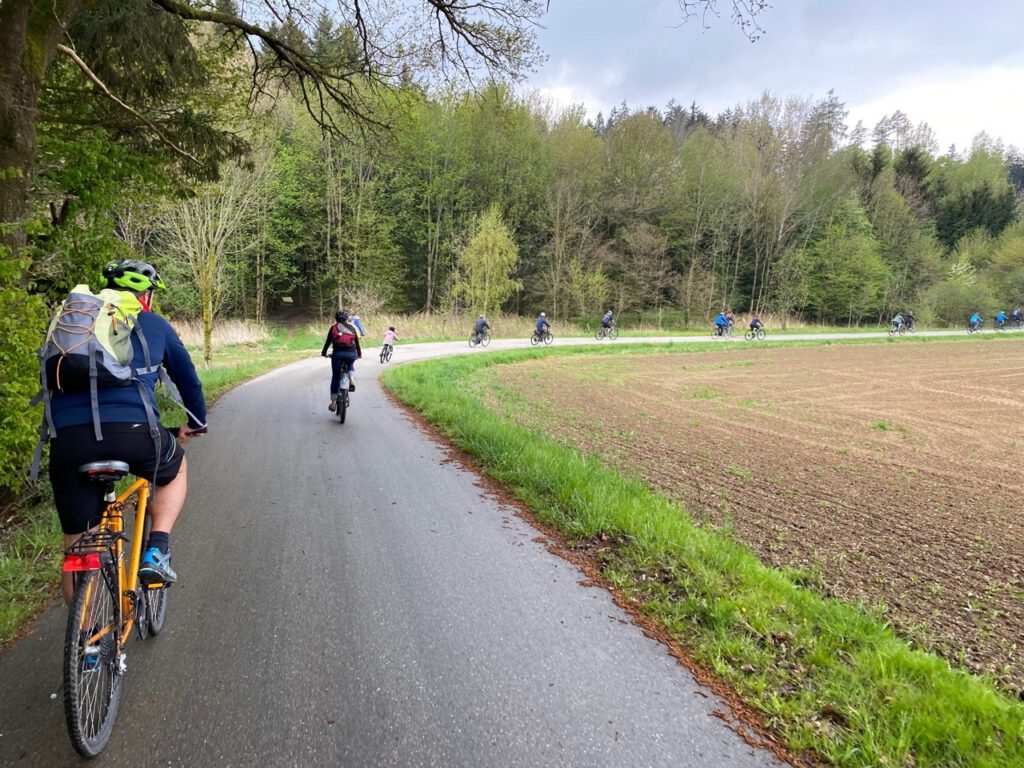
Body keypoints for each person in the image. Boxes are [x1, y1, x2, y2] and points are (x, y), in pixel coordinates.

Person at [46, 259, 207, 601]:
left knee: (77, 549)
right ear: (145, 295)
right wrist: (196, 422)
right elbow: (188, 379)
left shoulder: (74, 330)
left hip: (68, 439)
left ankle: (86, 646)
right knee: (175, 468)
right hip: (134, 433)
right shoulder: (152, 324)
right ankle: (157, 550)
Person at [322, 310, 362, 410]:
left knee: (335, 377)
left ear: (336, 319)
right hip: (351, 353)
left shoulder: (333, 328)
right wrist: (359, 354)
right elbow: (357, 343)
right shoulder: (353, 327)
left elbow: (328, 342)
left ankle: (334, 402)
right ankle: (351, 378)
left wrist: (324, 353)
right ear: (347, 318)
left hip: (337, 354)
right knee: (350, 365)